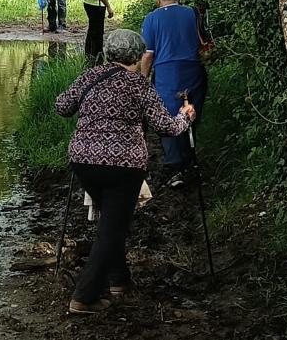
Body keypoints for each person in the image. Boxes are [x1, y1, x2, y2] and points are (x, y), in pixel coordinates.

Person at [55, 29, 196, 314]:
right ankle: (84, 297)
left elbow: (62, 106)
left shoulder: (89, 77)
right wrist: (185, 117)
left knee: (111, 221)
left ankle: (119, 281)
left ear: (109, 52)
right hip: (124, 166)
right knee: (112, 229)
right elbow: (166, 128)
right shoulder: (139, 85)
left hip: (84, 160)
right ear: (137, 56)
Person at [140, 0, 208, 187]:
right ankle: (189, 162)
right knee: (190, 114)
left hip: (167, 73)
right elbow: (204, 44)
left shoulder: (151, 19)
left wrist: (143, 80)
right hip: (193, 70)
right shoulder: (192, 13)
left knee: (168, 118)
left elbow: (148, 55)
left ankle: (175, 168)